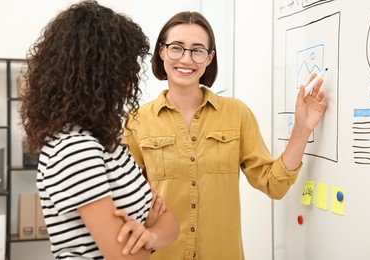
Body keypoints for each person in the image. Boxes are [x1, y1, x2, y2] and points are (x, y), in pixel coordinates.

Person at [123, 11, 328, 260]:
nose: (186, 59)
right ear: (162, 52)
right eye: (177, 48)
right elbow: (126, 201)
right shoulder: (136, 122)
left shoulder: (236, 114)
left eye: (197, 50)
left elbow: (273, 184)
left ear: (209, 58)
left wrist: (302, 128)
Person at [19, 1, 179, 259]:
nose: (132, 75)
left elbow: (171, 222)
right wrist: (151, 236)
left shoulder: (108, 142)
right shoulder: (75, 146)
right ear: (97, 71)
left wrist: (149, 235)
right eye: (124, 65)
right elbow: (124, 255)